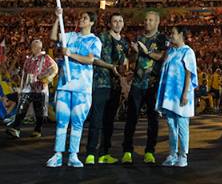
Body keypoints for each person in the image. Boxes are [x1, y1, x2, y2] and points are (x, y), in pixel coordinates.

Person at [46, 10, 102, 168]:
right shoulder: (70, 36)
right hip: (65, 85)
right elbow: (53, 37)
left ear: (91, 22)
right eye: (80, 17)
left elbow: (90, 60)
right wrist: (58, 18)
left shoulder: (95, 41)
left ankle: (73, 155)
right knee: (62, 120)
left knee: (77, 122)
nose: (81, 19)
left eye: (85, 18)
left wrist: (70, 54)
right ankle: (58, 154)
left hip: (82, 88)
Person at [122, 10, 168, 164]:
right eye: (146, 20)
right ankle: (127, 151)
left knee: (152, 119)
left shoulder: (162, 38)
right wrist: (134, 54)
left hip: (153, 84)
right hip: (137, 83)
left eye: (150, 20)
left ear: (157, 22)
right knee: (131, 118)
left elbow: (163, 57)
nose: (147, 22)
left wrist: (146, 52)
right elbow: (133, 58)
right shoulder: (139, 38)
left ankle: (149, 151)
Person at [85, 11, 128, 165]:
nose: (118, 24)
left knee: (109, 121)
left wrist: (124, 73)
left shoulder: (124, 43)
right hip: (100, 83)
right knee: (96, 119)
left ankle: (104, 153)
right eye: (115, 21)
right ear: (109, 24)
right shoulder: (101, 38)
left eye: (120, 21)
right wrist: (111, 67)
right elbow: (93, 59)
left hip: (115, 85)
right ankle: (90, 153)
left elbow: (124, 62)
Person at [156, 26, 198, 168]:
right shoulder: (171, 51)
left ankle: (183, 155)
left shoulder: (188, 51)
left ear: (181, 34)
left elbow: (189, 73)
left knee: (182, 125)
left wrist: (185, 93)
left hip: (181, 94)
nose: (171, 35)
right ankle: (172, 154)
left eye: (173, 33)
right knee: (171, 125)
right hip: (170, 95)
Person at [7, 38, 57, 138]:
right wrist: (21, 88)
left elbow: (54, 68)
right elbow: (24, 74)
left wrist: (47, 77)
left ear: (39, 48)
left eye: (35, 46)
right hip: (28, 86)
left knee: (39, 110)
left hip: (40, 87)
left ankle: (38, 130)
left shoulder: (45, 58)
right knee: (22, 106)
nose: (32, 48)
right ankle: (16, 128)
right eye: (32, 46)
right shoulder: (28, 59)